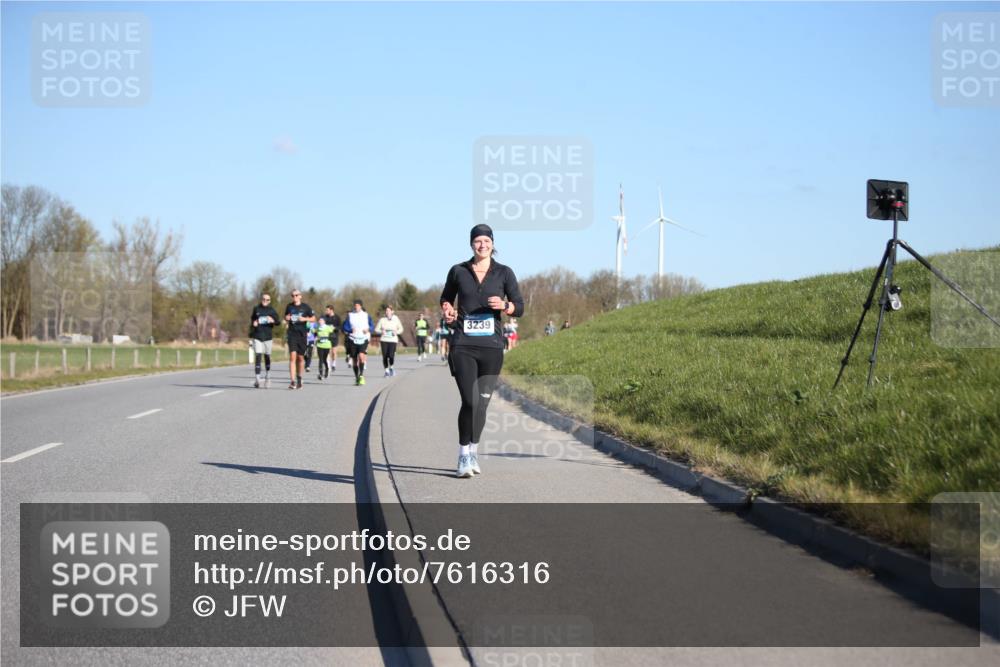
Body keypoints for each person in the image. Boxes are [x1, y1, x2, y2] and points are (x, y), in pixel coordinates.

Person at [440, 223, 523, 478]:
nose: (482, 245)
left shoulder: (504, 273)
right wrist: (447, 310)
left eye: (486, 241)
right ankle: (463, 455)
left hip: (492, 348)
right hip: (463, 345)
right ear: (471, 244)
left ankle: (473, 450)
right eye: (478, 241)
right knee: (469, 400)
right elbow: (445, 298)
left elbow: (519, 306)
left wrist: (505, 305)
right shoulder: (458, 271)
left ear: (492, 244)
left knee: (482, 405)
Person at [283, 289, 315, 389]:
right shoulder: (289, 306)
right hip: (292, 334)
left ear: (300, 296)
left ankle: (299, 378)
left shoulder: (305, 307)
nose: (294, 297)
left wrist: (305, 319)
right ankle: (292, 381)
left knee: (300, 358)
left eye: (296, 295)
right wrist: (286, 318)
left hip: (302, 335)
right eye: (292, 295)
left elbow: (313, 318)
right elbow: (286, 317)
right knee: (292, 356)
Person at [249, 292, 279, 388]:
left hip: (268, 337)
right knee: (258, 355)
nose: (265, 301)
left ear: (269, 301)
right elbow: (253, 319)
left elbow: (278, 322)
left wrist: (272, 320)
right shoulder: (256, 309)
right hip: (257, 336)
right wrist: (254, 323)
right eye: (263, 299)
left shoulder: (272, 310)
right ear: (261, 299)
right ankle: (257, 379)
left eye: (267, 300)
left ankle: (268, 376)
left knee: (267, 357)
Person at [342, 299, 374, 385]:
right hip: (352, 339)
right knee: (354, 360)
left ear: (361, 306)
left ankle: (361, 375)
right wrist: (350, 330)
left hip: (363, 338)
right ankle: (356, 377)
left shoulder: (366, 315)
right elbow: (344, 327)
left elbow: (372, 326)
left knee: (361, 356)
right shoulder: (350, 315)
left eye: (358, 305)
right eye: (355, 305)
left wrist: (368, 329)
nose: (356, 307)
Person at [375, 305, 404, 376]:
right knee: (385, 356)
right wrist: (381, 331)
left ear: (392, 311)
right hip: (384, 339)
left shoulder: (396, 319)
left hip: (393, 340)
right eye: (386, 311)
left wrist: (396, 332)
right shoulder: (382, 320)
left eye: (388, 310)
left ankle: (391, 367)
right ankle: (386, 371)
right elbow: (376, 329)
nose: (387, 312)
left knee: (391, 356)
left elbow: (401, 329)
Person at [323, 305, 341, 372]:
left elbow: (340, 327)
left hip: (334, 336)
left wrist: (335, 328)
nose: (326, 311)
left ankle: (334, 363)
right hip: (327, 336)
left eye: (327, 310)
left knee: (334, 351)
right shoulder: (325, 317)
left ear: (331, 310)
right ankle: (328, 365)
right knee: (327, 351)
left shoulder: (337, 317)